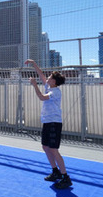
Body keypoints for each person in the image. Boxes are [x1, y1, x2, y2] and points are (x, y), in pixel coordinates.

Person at [25, 59, 72, 189]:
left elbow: (41, 97)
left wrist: (34, 85)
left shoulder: (55, 91)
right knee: (45, 147)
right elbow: (42, 76)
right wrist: (34, 63)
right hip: (47, 122)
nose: (48, 78)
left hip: (54, 123)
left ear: (54, 81)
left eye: (50, 77)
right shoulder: (49, 86)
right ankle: (55, 171)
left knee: (53, 149)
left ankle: (65, 177)